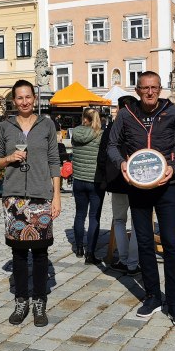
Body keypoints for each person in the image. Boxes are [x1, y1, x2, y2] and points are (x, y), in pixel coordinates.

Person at [107, 71, 175, 327]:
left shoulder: (173, 112)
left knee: (170, 244)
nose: (149, 92)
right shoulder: (126, 114)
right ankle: (152, 297)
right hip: (138, 186)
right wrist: (122, 164)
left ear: (160, 89)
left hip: (167, 186)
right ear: (137, 90)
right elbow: (112, 145)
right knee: (144, 243)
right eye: (145, 88)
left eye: (154, 88)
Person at [0, 80, 61, 327]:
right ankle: (21, 300)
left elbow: (55, 160)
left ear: (34, 98)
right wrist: (10, 158)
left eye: (28, 97)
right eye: (19, 98)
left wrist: (57, 196)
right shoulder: (5, 127)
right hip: (14, 198)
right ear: (14, 100)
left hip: (41, 196)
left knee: (41, 253)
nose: (24, 102)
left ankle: (39, 302)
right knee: (19, 254)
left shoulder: (46, 125)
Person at [104, 95, 140, 276]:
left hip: (118, 180)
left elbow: (104, 155)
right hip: (137, 180)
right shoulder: (139, 125)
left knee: (119, 220)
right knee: (137, 222)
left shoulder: (112, 127)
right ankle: (133, 263)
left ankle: (124, 259)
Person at [70, 108, 105, 264]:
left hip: (78, 179)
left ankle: (78, 248)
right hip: (95, 180)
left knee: (80, 214)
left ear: (84, 118)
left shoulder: (75, 133)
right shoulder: (100, 134)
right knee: (94, 217)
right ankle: (90, 253)